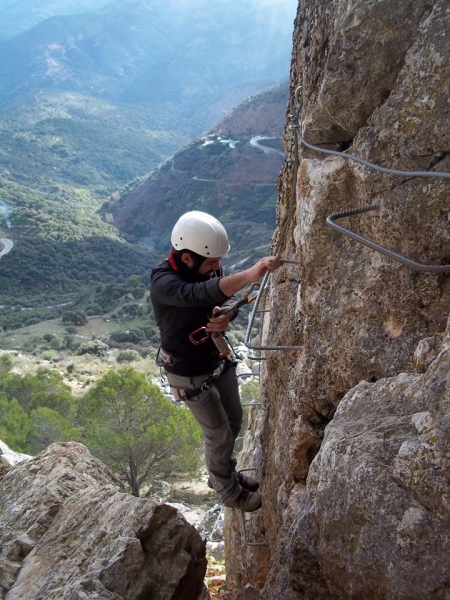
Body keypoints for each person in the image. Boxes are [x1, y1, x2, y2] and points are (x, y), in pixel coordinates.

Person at [150, 211, 282, 512]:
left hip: (214, 359)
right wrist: (249, 274)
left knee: (233, 420)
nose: (217, 268)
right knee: (219, 433)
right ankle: (228, 492)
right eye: (212, 263)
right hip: (188, 373)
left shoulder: (204, 270)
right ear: (187, 258)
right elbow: (198, 294)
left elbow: (218, 301)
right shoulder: (163, 282)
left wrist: (227, 316)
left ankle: (222, 475)